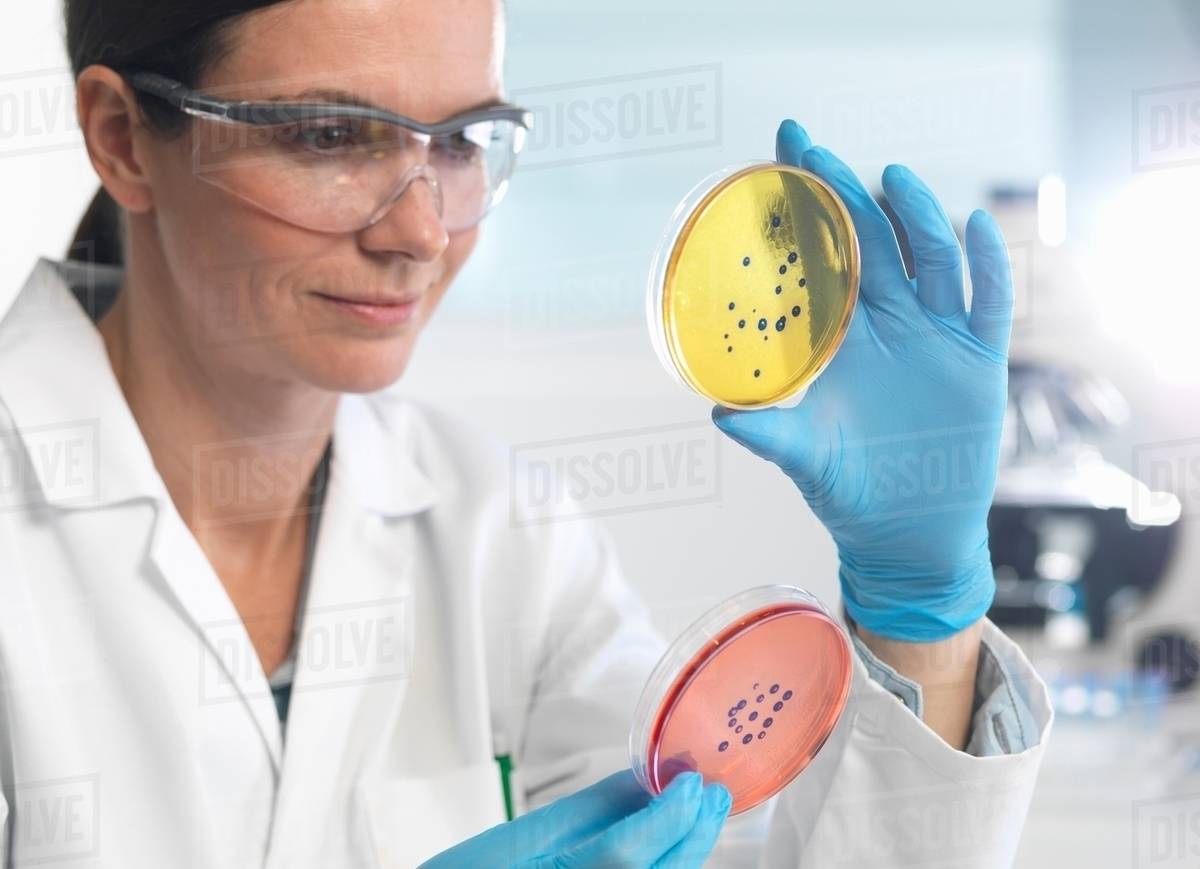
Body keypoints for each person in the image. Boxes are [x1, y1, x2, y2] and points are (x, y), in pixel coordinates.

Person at [0, 0, 1051, 865]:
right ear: (122, 138)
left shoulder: (502, 531)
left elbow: (722, 842)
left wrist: (922, 615)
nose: (420, 230)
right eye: (328, 135)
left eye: (462, 141)